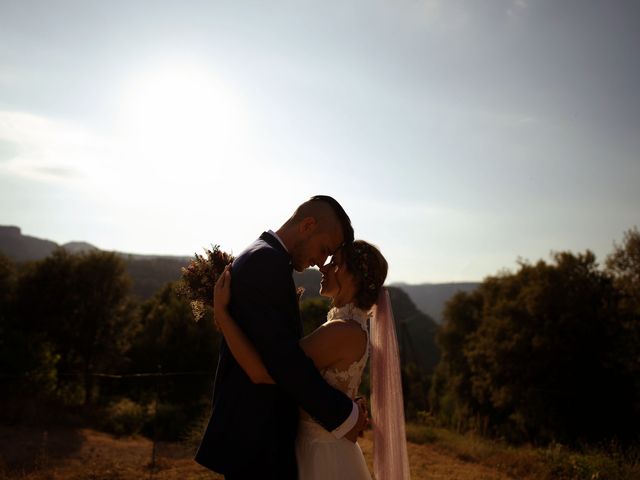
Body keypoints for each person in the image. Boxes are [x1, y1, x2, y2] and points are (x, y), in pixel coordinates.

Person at [195, 196, 368, 479]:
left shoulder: (266, 256)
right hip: (257, 441)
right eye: (324, 249)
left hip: (258, 440)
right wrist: (344, 414)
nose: (320, 263)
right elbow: (281, 366)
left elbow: (283, 357)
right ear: (308, 225)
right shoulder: (266, 262)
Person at [213, 240, 411, 479]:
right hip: (319, 446)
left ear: (353, 277)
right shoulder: (349, 328)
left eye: (335, 263)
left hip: (320, 456)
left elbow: (266, 371)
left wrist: (224, 315)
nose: (323, 268)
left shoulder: (341, 331)